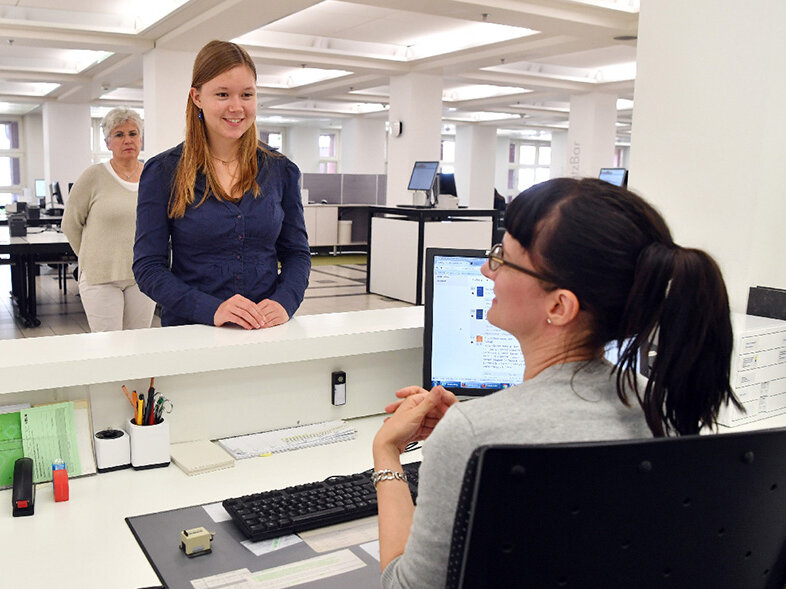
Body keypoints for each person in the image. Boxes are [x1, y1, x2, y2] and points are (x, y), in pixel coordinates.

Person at [371, 177, 741, 587]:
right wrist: (482, 431)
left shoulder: (470, 435)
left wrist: (387, 452)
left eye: (503, 258)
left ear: (559, 305)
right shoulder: (659, 406)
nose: (485, 269)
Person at [133, 40, 310, 328]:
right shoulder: (163, 171)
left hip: (265, 332)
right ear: (197, 97)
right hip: (192, 331)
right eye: (223, 94)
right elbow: (148, 268)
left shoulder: (280, 170)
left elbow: (296, 253)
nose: (236, 107)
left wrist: (285, 301)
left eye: (247, 94)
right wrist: (210, 309)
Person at [62, 107, 156, 332]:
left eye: (133, 134)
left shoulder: (153, 176)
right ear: (108, 143)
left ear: (140, 139)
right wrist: (90, 256)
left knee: (138, 344)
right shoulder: (93, 176)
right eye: (119, 135)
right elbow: (70, 224)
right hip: (100, 277)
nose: (127, 140)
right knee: (109, 348)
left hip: (142, 276)